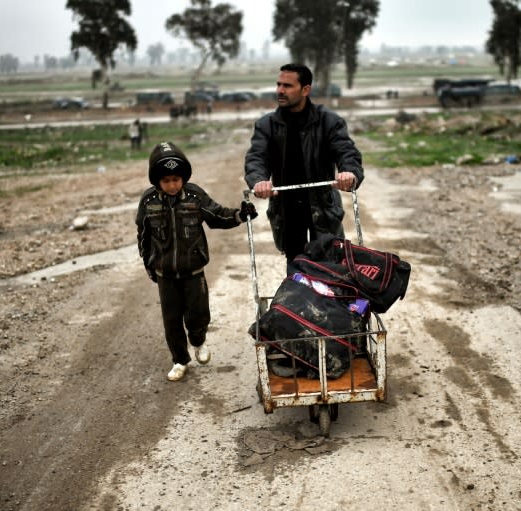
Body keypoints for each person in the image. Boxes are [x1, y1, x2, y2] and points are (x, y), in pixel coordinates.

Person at [136, 141, 258, 381]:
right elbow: (143, 236)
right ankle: (180, 359)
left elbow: (217, 215)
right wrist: (149, 265)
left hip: (194, 272)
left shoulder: (195, 195)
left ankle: (198, 341)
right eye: (166, 180)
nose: (172, 185)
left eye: (176, 179)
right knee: (171, 321)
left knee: (198, 314)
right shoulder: (148, 201)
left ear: (183, 178)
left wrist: (239, 215)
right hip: (165, 274)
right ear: (157, 181)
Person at [244, 63, 364, 263]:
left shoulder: (328, 121)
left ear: (306, 89)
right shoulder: (267, 125)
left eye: (288, 86)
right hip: (287, 208)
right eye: (279, 84)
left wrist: (349, 173)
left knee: (330, 269)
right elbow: (257, 157)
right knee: (296, 272)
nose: (280, 90)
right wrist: (258, 181)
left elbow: (347, 152)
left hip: (323, 205)